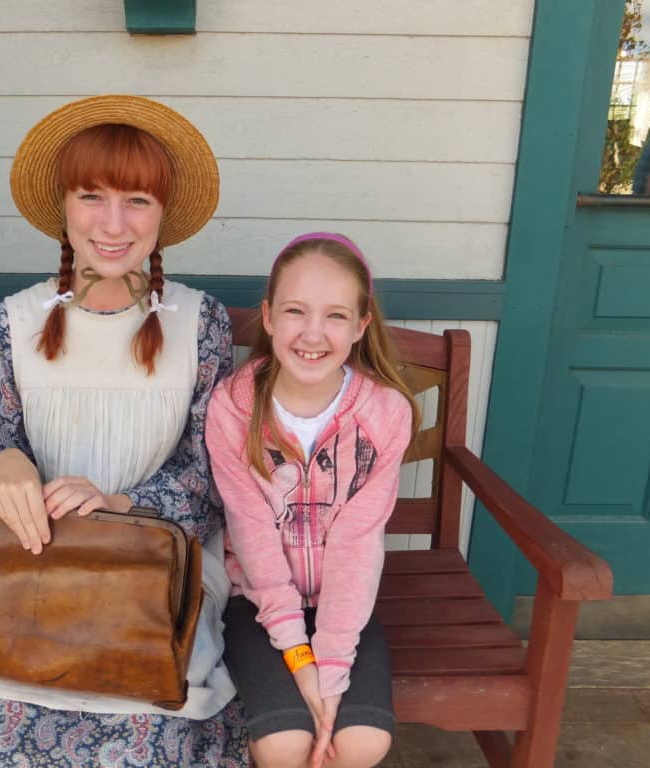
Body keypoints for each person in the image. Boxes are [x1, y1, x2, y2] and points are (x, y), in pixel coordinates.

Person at [0, 96, 248, 766]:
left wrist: (120, 505)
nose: (112, 223)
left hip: (157, 574)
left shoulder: (200, 322)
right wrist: (4, 464)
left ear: (163, 214)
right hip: (32, 573)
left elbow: (212, 477)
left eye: (137, 200)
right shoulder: (11, 323)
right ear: (63, 205)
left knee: (150, 739)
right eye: (91, 196)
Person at [205, 233, 420, 768]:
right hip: (254, 604)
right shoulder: (233, 407)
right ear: (269, 317)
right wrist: (300, 662)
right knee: (283, 745)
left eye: (336, 316)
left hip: (343, 603)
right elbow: (251, 534)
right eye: (296, 311)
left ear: (362, 325)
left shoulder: (385, 414)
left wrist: (331, 668)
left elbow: (356, 542)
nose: (313, 334)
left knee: (363, 742)